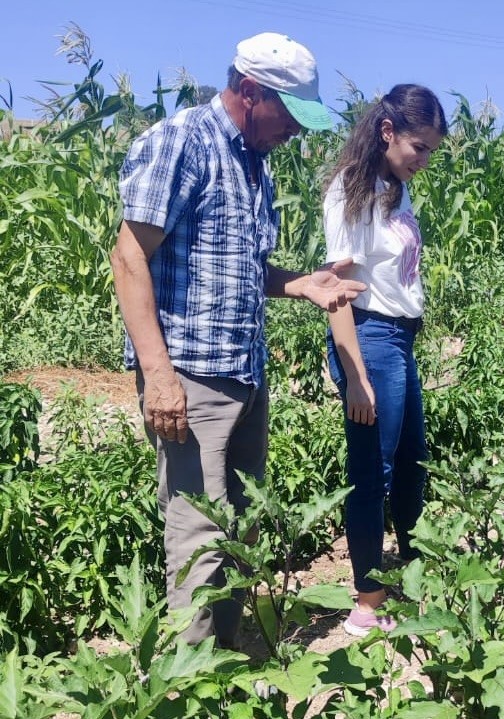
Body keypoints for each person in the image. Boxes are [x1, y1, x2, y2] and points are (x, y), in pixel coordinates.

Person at [110, 32, 366, 650]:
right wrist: (160, 377)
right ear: (250, 92)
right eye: (289, 115)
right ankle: (190, 683)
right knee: (199, 531)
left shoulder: (255, 163)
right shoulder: (182, 141)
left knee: (239, 527)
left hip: (244, 371)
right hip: (190, 375)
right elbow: (127, 257)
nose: (296, 131)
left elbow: (239, 267)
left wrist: (302, 283)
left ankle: (226, 658)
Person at [322, 84, 448, 636]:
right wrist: (354, 375)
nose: (423, 160)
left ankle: (413, 576)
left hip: (400, 339)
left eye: (431, 152)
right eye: (418, 147)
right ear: (388, 131)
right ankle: (367, 604)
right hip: (370, 338)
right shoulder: (353, 190)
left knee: (412, 462)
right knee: (374, 470)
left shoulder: (396, 189)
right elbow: (338, 290)